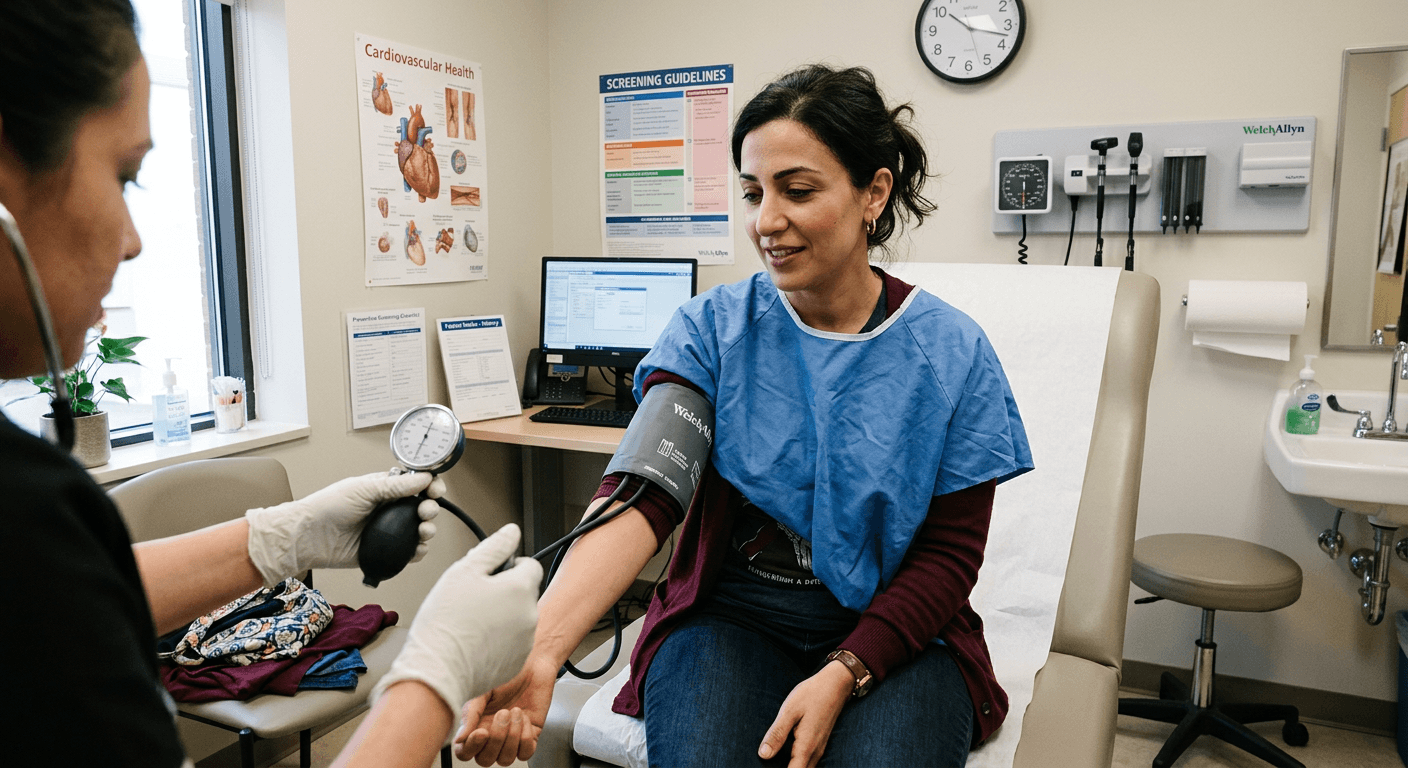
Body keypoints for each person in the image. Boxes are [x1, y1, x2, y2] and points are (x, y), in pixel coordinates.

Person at [0, 4, 541, 767]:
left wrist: (279, 538)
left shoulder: (30, 517)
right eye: (125, 175)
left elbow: (61, 598)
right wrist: (434, 677)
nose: (133, 239)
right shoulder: (21, 504)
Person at [456, 64, 1033, 767]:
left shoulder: (950, 352)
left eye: (797, 190)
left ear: (873, 192)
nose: (766, 221)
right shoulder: (712, 332)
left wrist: (848, 668)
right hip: (732, 617)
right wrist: (543, 649)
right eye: (753, 193)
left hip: (896, 629)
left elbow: (948, 558)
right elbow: (643, 493)